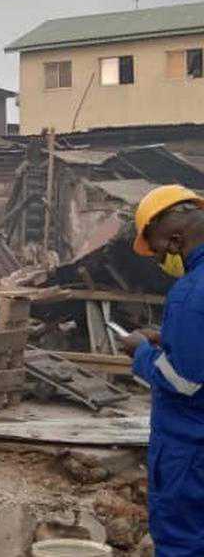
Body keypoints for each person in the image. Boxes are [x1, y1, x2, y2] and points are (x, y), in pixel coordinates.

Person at [121, 184, 204, 556]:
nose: (161, 260)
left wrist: (141, 353)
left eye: (157, 251)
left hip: (190, 450)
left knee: (182, 544)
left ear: (174, 240)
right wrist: (171, 337)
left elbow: (183, 381)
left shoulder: (190, 293)